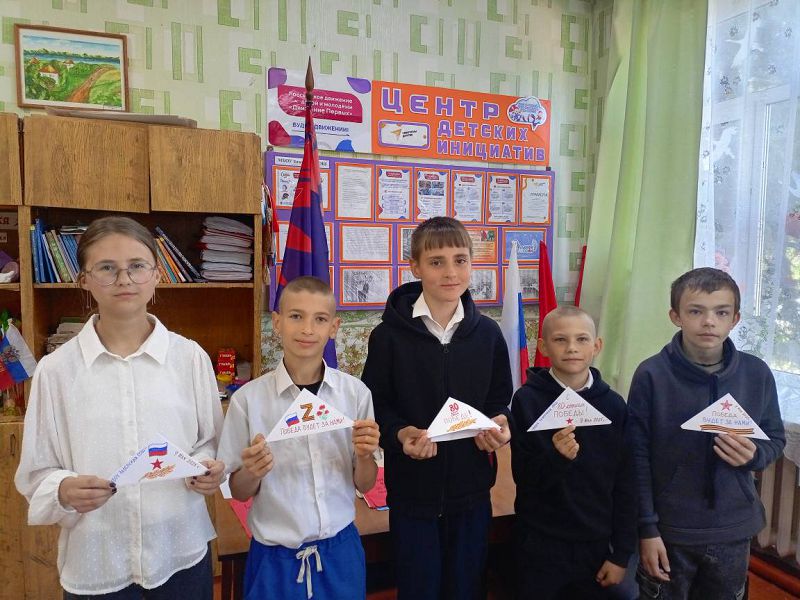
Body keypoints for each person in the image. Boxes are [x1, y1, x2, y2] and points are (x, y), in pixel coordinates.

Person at [15, 216, 225, 599]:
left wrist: (206, 468)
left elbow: (209, 442)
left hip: (180, 548)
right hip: (98, 558)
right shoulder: (57, 371)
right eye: (107, 268)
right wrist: (63, 490)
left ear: (157, 275)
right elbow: (37, 471)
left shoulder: (189, 358)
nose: (124, 279)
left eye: (137, 266)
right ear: (84, 279)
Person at [361, 216, 513, 600]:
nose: (450, 272)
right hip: (412, 494)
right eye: (436, 262)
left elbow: (500, 400)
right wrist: (400, 435)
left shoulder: (488, 334)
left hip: (472, 492)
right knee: (419, 588)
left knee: (466, 587)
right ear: (415, 267)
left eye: (460, 260)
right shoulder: (387, 337)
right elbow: (376, 405)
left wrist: (500, 425)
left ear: (472, 263)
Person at [217, 276, 380, 600]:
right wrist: (252, 470)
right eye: (296, 316)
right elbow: (238, 490)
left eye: (319, 319)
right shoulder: (248, 400)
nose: (307, 329)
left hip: (340, 550)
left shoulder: (355, 394)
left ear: (333, 327)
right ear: (277, 323)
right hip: (274, 557)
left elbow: (365, 483)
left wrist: (364, 455)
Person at [628, 267, 786, 599]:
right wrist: (647, 528)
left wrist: (755, 454)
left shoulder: (756, 373)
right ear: (676, 316)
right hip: (670, 531)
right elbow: (636, 457)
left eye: (721, 312)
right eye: (696, 311)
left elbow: (774, 437)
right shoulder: (651, 375)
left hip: (733, 529)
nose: (709, 322)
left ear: (735, 318)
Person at [510, 306, 636, 599]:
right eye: (560, 340)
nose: (571, 348)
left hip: (596, 542)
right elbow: (524, 478)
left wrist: (621, 554)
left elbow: (626, 482)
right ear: (543, 347)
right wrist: (556, 458)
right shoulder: (527, 401)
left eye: (581, 339)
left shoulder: (614, 405)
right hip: (540, 542)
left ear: (597, 346)